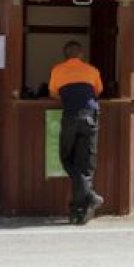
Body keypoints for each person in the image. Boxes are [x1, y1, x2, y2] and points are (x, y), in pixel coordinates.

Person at [48, 41, 104, 224]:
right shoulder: (92, 70)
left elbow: (54, 93)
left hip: (70, 118)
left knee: (66, 159)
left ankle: (79, 210)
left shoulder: (57, 70)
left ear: (65, 56)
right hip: (90, 119)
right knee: (84, 166)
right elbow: (98, 91)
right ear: (81, 55)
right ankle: (89, 199)